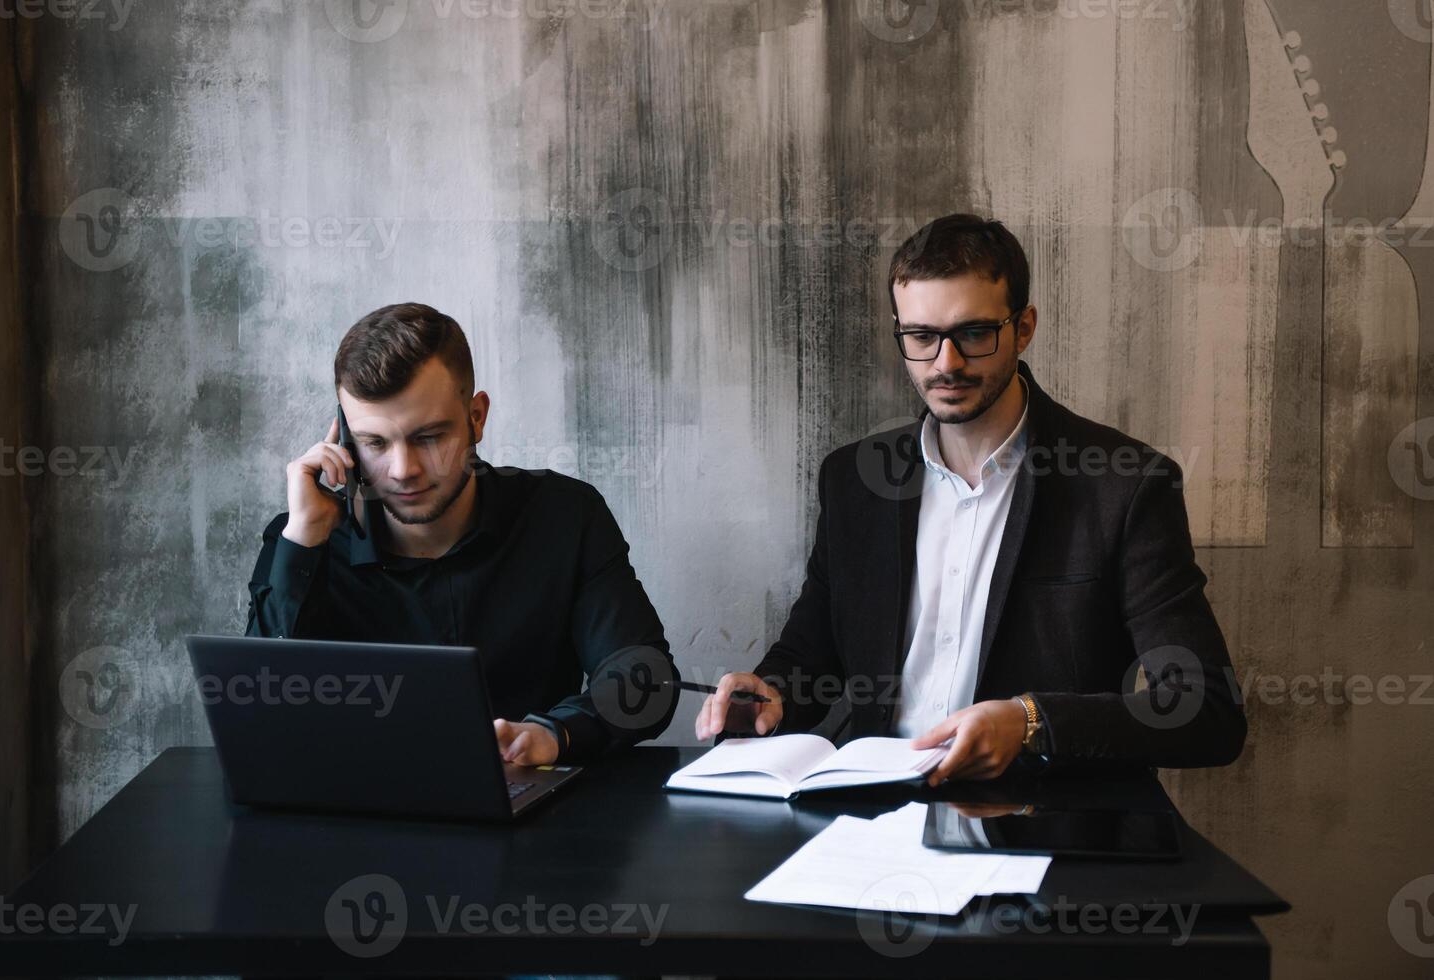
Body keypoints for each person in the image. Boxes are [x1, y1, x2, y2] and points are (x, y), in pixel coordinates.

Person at [695, 214, 1246, 781]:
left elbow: (1206, 709)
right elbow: (812, 658)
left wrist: (1032, 722)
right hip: (870, 813)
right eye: (921, 337)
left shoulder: (1125, 484)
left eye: (975, 334)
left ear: (1023, 328)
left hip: (1043, 819)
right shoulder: (853, 480)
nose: (946, 363)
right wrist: (773, 692)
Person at [245, 302, 675, 765]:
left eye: (428, 437)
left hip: (534, 818)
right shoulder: (304, 539)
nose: (403, 470)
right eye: (375, 443)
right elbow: (257, 718)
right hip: (357, 821)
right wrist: (303, 539)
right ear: (345, 441)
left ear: (477, 417)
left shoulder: (564, 515)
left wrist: (556, 734)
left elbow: (643, 681)